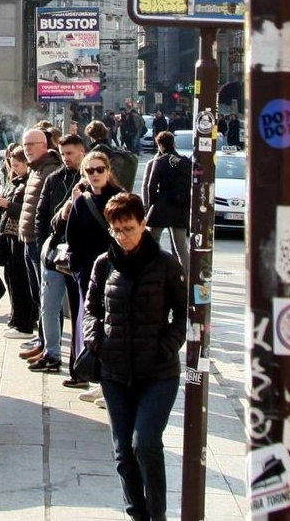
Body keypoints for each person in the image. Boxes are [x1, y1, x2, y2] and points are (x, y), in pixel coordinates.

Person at [83, 192, 186, 521]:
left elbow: (184, 316)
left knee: (146, 444)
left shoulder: (166, 263)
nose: (123, 236)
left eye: (128, 228)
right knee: (123, 452)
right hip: (115, 373)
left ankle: (158, 515)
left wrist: (165, 346)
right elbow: (92, 309)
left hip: (158, 373)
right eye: (116, 230)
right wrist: (96, 340)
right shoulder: (104, 263)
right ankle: (136, 514)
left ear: (143, 224)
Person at [61, 151, 124, 395]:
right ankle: (93, 375)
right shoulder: (81, 201)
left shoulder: (119, 199)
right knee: (90, 324)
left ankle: (108, 381)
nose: (95, 174)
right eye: (90, 170)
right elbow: (72, 238)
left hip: (115, 272)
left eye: (99, 169)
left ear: (108, 171)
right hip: (86, 273)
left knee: (111, 325)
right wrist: (77, 269)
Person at [31, 134, 85, 374]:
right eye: (63, 154)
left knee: (78, 311)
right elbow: (41, 215)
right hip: (54, 254)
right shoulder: (54, 179)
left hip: (80, 256)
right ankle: (52, 354)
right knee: (49, 307)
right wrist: (43, 247)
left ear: (82, 152)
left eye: (70, 154)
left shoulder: (89, 179)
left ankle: (79, 364)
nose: (66, 159)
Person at [16, 128, 63, 361]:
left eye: (32, 145)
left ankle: (49, 345)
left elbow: (47, 210)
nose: (27, 150)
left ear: (44, 145)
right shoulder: (35, 170)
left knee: (47, 298)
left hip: (39, 242)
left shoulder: (50, 169)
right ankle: (42, 339)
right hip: (28, 239)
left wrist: (43, 240)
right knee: (37, 294)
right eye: (25, 146)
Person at [0, 145, 35, 337]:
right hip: (10, 234)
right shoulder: (17, 180)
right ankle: (17, 317)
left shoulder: (29, 182)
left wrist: (7, 205)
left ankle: (23, 322)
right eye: (12, 165)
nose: (14, 169)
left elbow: (26, 210)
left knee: (20, 279)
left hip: (20, 235)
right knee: (12, 276)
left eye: (17, 165)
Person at [142, 131, 190, 272]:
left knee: (152, 241)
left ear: (159, 145)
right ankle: (185, 279)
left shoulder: (159, 161)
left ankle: (151, 271)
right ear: (173, 143)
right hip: (180, 208)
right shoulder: (185, 161)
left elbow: (151, 185)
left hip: (161, 207)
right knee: (181, 247)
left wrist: (151, 204)